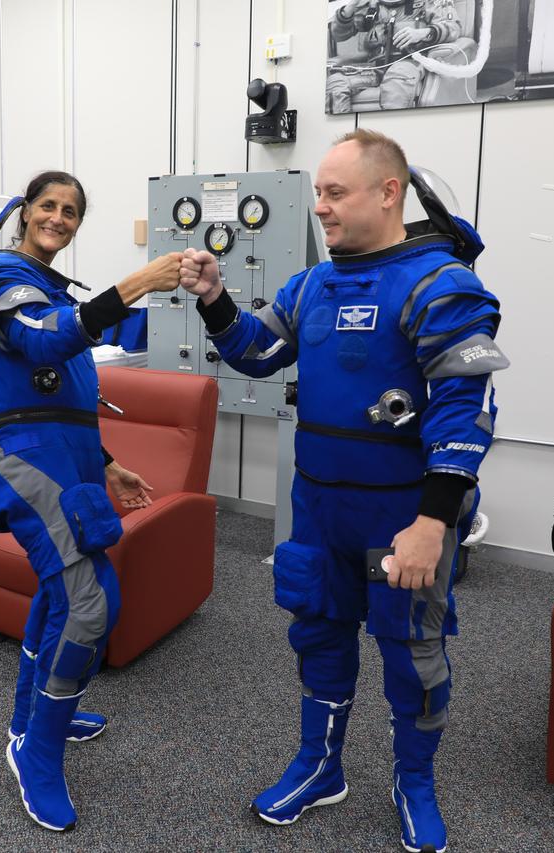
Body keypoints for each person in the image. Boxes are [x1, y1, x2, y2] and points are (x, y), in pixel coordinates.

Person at [179, 131, 507, 853]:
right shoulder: (310, 285)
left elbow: (465, 415)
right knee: (320, 634)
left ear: (388, 192)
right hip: (320, 509)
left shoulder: (439, 284)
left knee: (411, 651)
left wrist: (432, 523)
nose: (320, 207)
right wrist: (213, 298)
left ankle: (413, 781)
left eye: (335, 193)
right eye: (319, 193)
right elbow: (255, 352)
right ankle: (321, 765)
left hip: (402, 516)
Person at [0, 171, 182, 831]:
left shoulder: (48, 285)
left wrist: (107, 464)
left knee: (59, 590)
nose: (59, 216)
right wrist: (139, 280)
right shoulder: (1, 272)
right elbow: (42, 340)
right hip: (24, 462)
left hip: (67, 460)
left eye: (71, 210)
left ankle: (36, 712)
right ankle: (35, 749)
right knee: (91, 600)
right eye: (48, 205)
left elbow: (61, 389)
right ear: (24, 212)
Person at [327, 0, 463, 113]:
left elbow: (453, 28)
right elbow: (339, 34)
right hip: (375, 67)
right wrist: (351, 6)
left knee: (395, 84)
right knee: (336, 82)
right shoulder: (371, 5)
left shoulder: (429, 2)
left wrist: (423, 33)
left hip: (409, 64)